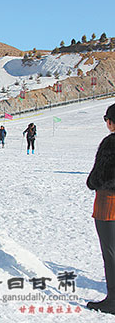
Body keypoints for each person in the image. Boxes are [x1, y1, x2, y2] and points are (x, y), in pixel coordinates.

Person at [86, 103, 115, 314]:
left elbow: (99, 177)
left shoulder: (110, 143)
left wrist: (91, 181)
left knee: (111, 253)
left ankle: (113, 299)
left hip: (109, 206)